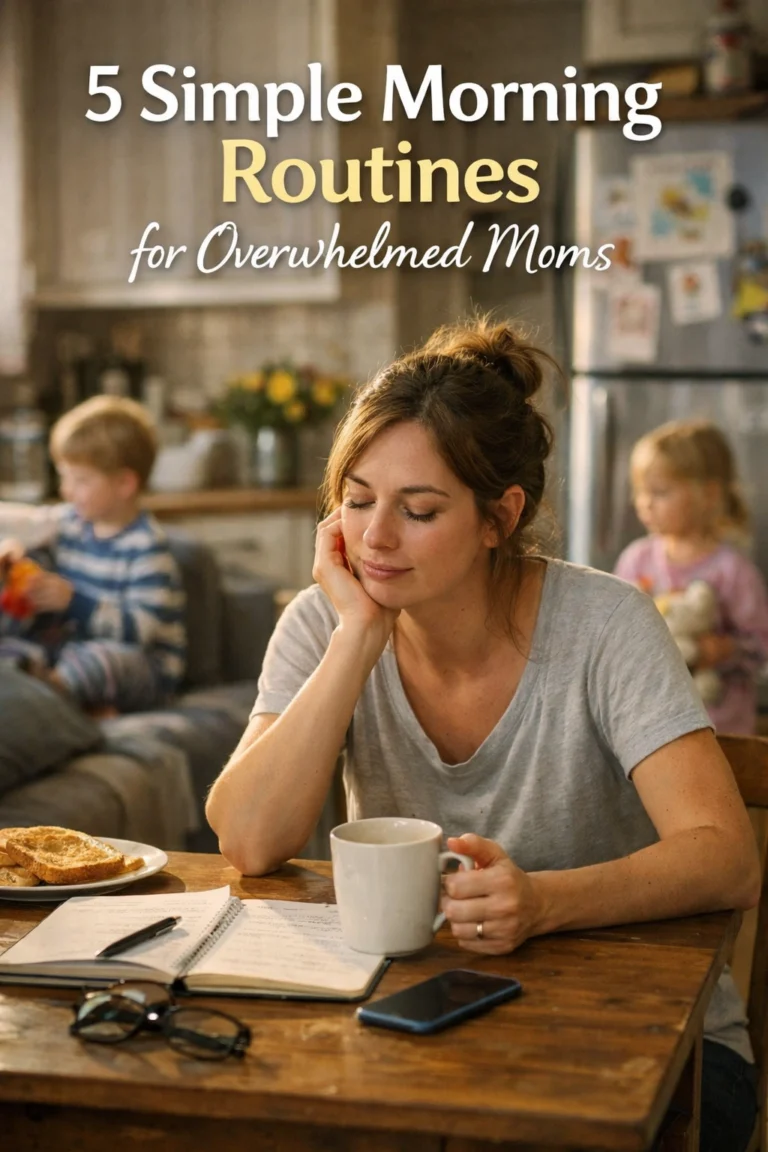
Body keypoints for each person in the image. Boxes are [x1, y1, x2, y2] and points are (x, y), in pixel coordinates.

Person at [206, 318, 760, 1152]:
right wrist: (358, 636)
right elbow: (248, 840)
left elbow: (726, 855)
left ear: (501, 516)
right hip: (410, 1030)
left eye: (417, 510)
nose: (375, 538)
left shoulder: (605, 624)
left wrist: (542, 902)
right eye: (356, 501)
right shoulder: (328, 624)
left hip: (653, 1047)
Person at [0, 395, 186, 713]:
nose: (66, 490)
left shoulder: (146, 547)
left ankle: (52, 705)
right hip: (73, 650)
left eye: (81, 480)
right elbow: (28, 527)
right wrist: (17, 565)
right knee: (16, 646)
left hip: (143, 667)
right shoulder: (71, 523)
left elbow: (139, 632)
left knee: (98, 660)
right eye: (64, 476)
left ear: (124, 483)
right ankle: (58, 696)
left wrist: (74, 602)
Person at [615, 420, 768, 735]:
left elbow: (761, 646)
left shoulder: (733, 571)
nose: (644, 503)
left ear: (708, 494)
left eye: (659, 492)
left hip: (722, 728)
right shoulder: (636, 559)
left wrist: (724, 651)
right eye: (640, 491)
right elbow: (615, 630)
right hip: (650, 724)